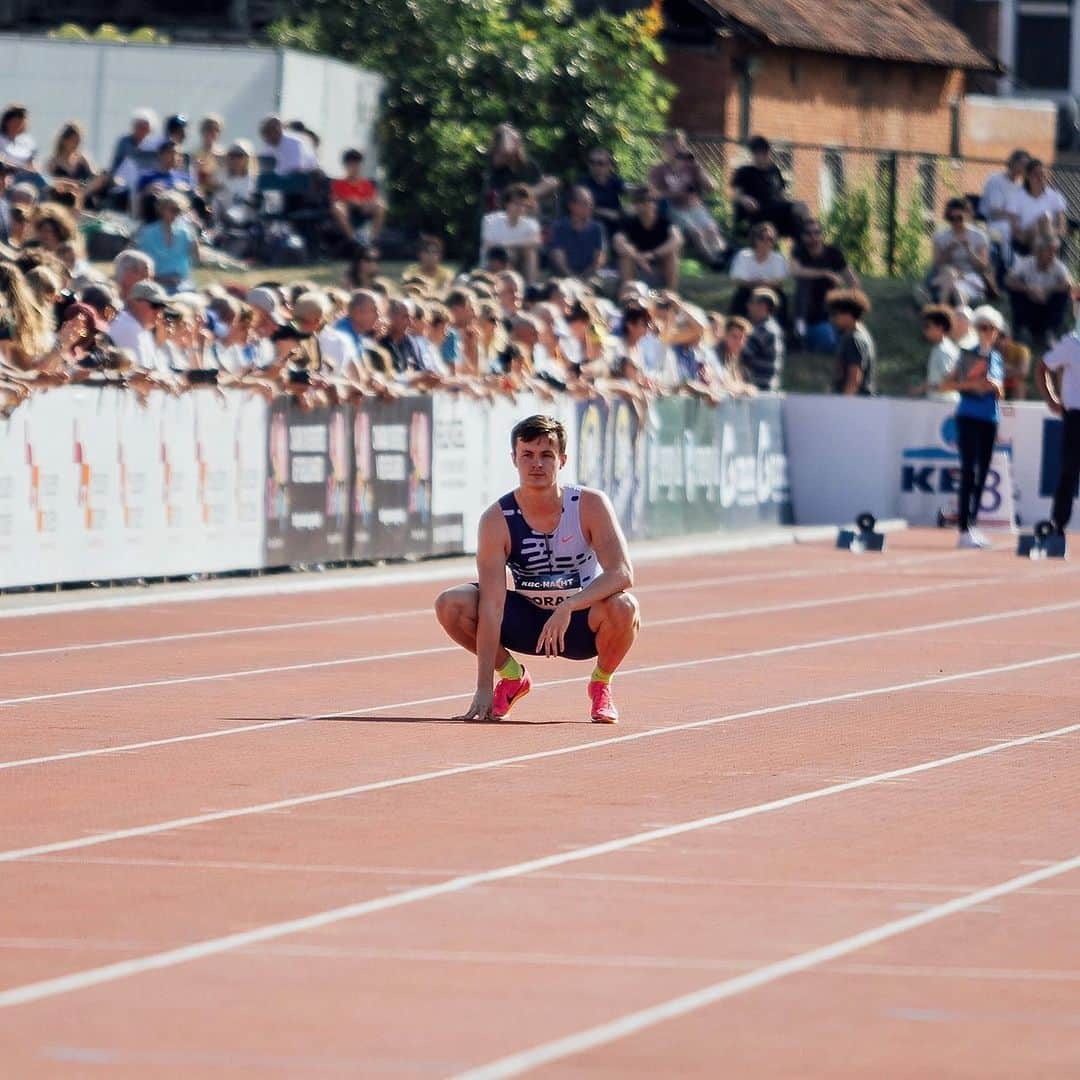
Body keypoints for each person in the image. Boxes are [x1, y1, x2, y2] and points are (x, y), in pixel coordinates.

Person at [434, 414, 640, 723]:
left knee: (625, 607)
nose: (537, 464)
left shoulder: (590, 505)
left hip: (579, 622)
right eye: (527, 455)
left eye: (547, 455)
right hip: (528, 622)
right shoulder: (496, 520)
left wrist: (570, 605)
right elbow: (491, 604)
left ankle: (601, 684)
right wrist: (483, 686)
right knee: (451, 604)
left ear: (563, 459)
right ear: (514, 459)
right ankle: (513, 677)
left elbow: (622, 573)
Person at [938, 305, 1006, 549]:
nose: (986, 332)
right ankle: (964, 528)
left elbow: (999, 391)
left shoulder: (997, 357)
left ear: (997, 331)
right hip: (968, 417)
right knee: (969, 470)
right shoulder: (966, 354)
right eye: (981, 327)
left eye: (990, 328)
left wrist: (992, 385)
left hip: (989, 419)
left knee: (983, 471)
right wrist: (970, 384)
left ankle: (973, 525)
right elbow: (946, 385)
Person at [648, 130, 725, 267]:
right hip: (673, 208)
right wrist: (674, 194)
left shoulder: (692, 167)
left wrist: (698, 167)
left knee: (712, 229)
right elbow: (652, 194)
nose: (677, 150)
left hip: (695, 207)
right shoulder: (659, 169)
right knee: (695, 231)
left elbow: (712, 187)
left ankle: (724, 256)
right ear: (665, 148)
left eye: (679, 146)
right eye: (672, 146)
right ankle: (713, 262)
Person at [790, 219, 857, 353]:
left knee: (833, 340)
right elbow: (795, 271)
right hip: (807, 308)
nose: (813, 237)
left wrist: (848, 302)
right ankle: (800, 331)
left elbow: (853, 281)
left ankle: (809, 339)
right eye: (808, 233)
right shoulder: (799, 251)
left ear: (822, 234)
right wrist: (825, 273)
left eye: (817, 232)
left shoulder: (833, 253)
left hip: (829, 305)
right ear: (803, 237)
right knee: (804, 281)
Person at [1038, 317, 1080, 535]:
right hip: (1075, 415)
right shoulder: (1071, 343)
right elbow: (1042, 367)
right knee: (1069, 472)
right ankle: (1058, 525)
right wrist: (1051, 398)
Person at [730, 135, 805, 239]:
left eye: (765, 153)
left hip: (774, 210)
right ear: (754, 154)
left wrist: (792, 204)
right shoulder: (744, 171)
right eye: (759, 153)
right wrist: (745, 199)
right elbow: (736, 195)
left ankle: (802, 249)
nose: (763, 156)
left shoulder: (774, 170)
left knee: (800, 210)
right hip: (756, 212)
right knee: (797, 208)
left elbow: (781, 196)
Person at [1005, 237, 1072, 350]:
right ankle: (1019, 329)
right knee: (1015, 291)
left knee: (1062, 294)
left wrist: (1046, 289)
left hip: (1047, 304)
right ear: (1039, 252)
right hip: (1028, 301)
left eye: (1054, 251)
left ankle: (1049, 331)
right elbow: (1008, 279)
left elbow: (1068, 284)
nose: (1052, 254)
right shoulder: (1026, 262)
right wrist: (1029, 289)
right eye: (1049, 250)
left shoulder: (1058, 266)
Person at [613, 187, 683, 290]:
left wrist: (652, 254)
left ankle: (670, 293)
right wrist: (638, 257)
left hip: (658, 262)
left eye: (647, 200)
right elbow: (617, 241)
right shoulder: (629, 221)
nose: (642, 204)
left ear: (654, 203)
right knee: (625, 257)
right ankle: (629, 293)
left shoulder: (663, 221)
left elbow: (677, 239)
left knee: (672, 255)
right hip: (637, 263)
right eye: (638, 200)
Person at [928, 197, 991, 307]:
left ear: (966, 215)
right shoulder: (940, 236)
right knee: (950, 273)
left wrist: (969, 250)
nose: (956, 222)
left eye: (959, 218)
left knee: (955, 287)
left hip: (969, 275)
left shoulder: (979, 236)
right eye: (952, 218)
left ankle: (939, 305)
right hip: (946, 273)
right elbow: (936, 264)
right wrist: (948, 250)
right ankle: (942, 306)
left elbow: (983, 266)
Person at [137, 191, 199, 291]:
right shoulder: (147, 232)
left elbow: (196, 258)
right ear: (161, 210)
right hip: (155, 283)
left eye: (179, 211)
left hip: (181, 284)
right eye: (173, 210)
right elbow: (141, 261)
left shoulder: (187, 232)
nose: (176, 214)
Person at [481, 183, 541, 284]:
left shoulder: (531, 224)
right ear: (506, 203)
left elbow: (535, 243)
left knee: (530, 253)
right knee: (508, 254)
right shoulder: (490, 220)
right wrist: (513, 247)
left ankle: (530, 285)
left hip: (519, 264)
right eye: (516, 203)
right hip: (492, 262)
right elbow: (490, 246)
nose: (520, 208)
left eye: (524, 204)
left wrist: (507, 244)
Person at [980, 149, 1028, 272]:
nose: (1023, 168)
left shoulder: (1019, 187)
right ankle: (1011, 267)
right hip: (993, 223)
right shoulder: (996, 180)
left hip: (1013, 223)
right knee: (1005, 229)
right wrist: (1014, 219)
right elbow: (995, 212)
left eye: (1025, 166)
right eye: (1021, 164)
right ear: (1012, 163)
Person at [729, 222, 788, 320]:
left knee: (781, 297)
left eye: (770, 239)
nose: (766, 242)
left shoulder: (778, 258)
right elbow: (737, 280)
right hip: (748, 290)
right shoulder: (744, 256)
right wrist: (760, 283)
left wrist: (760, 283)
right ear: (755, 239)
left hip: (770, 291)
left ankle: (781, 327)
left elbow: (779, 282)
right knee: (740, 295)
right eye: (762, 238)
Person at [547, 186, 606, 281]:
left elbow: (599, 257)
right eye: (585, 203)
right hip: (563, 277)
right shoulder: (559, 227)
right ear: (572, 205)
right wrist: (572, 278)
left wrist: (585, 277)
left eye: (591, 203)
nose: (590, 207)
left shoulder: (597, 228)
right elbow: (557, 257)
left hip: (589, 277)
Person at [1011, 158, 1067, 256]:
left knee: (1045, 218)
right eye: (1036, 175)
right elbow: (1015, 227)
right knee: (1036, 229)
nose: (1041, 178)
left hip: (1050, 237)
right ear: (1028, 176)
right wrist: (1030, 233)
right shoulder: (1017, 196)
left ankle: (1040, 259)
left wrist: (1046, 233)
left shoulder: (1055, 196)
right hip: (1026, 238)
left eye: (1043, 174)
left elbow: (1062, 227)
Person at [329, 149, 386, 243]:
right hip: (347, 209)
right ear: (346, 166)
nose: (355, 167)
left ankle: (372, 238)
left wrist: (363, 203)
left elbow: (372, 198)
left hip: (364, 208)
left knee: (381, 205)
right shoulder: (338, 184)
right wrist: (350, 201)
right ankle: (353, 239)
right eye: (351, 164)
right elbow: (335, 200)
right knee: (337, 207)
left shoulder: (366, 184)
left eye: (357, 164)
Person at [828, 289, 875, 396]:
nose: (832, 319)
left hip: (854, 404)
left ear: (848, 315)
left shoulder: (854, 339)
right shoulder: (863, 334)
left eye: (835, 314)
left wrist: (842, 405)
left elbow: (854, 379)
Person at [910, 304, 959, 401]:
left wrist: (923, 388)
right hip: (939, 403)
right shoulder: (942, 347)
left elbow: (950, 381)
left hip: (944, 403)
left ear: (940, 328)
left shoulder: (944, 350)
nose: (924, 330)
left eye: (927, 326)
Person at [742, 287, 784, 392]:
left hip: (759, 389)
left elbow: (742, 355)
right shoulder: (773, 327)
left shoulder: (763, 330)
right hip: (767, 387)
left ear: (763, 306)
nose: (747, 305)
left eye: (752, 302)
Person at [579, 147, 625, 229]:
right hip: (590, 227)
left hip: (615, 227)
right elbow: (579, 207)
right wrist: (606, 213)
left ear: (609, 166)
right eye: (592, 162)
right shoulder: (583, 183)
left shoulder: (614, 180)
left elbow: (627, 188)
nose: (595, 166)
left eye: (600, 163)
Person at [0, 104, 36, 168]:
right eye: (14, 122)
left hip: (24, 175)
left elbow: (31, 165)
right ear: (6, 122)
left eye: (20, 123)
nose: (17, 126)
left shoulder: (27, 142)